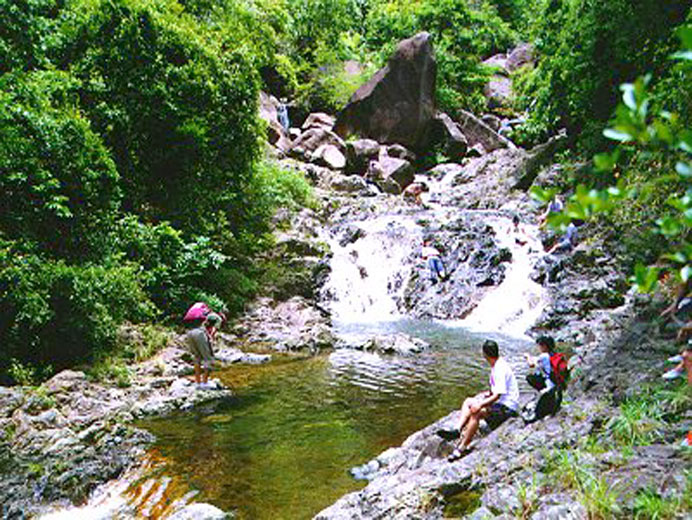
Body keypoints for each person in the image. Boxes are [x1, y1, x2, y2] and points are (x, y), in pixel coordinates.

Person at [448, 340, 520, 461]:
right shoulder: (498, 365)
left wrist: (480, 404)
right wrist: (485, 396)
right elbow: (495, 391)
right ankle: (457, 429)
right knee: (468, 401)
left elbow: (498, 395)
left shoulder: (499, 369)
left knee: (477, 412)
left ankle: (461, 448)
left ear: (485, 354)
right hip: (502, 404)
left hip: (507, 409)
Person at [185, 312, 222, 389]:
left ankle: (198, 381)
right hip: (200, 335)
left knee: (197, 358)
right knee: (209, 359)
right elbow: (212, 333)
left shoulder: (205, 318)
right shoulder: (217, 321)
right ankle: (205, 382)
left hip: (190, 333)